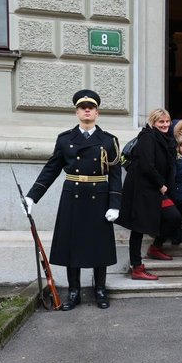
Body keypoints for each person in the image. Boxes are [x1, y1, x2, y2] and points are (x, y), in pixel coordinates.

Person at [23, 89, 121, 310]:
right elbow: (51, 170)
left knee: (99, 246)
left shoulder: (108, 140)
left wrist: (115, 205)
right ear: (77, 112)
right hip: (73, 196)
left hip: (99, 197)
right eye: (83, 107)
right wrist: (32, 196)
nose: (87, 111)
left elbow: (115, 176)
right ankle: (74, 291)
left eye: (91, 108)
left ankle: (100, 290)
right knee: (72, 245)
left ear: (97, 112)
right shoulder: (65, 139)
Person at [116, 108, 182, 281]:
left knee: (174, 217)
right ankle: (137, 267)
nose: (165, 125)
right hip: (142, 188)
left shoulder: (167, 139)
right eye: (161, 122)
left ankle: (155, 247)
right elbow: (146, 164)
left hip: (155, 188)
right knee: (138, 229)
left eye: (167, 121)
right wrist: (161, 184)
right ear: (153, 123)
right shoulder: (148, 137)